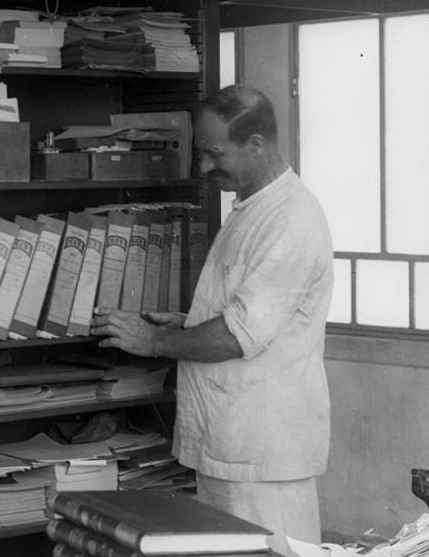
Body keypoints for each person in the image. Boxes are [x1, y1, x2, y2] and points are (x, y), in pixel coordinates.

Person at [91, 84, 333, 554]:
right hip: (228, 441)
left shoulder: (292, 220)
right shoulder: (250, 208)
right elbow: (250, 312)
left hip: (263, 450)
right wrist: (189, 320)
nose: (203, 167)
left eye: (214, 153)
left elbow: (237, 335)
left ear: (256, 144)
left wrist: (155, 341)